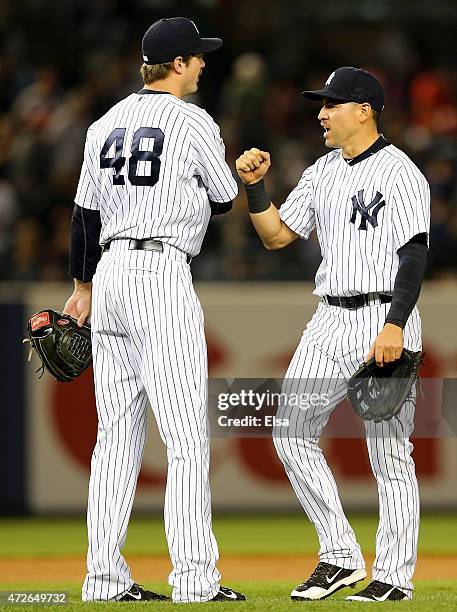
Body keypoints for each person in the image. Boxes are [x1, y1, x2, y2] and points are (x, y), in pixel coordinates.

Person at [63, 17, 245, 603]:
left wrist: (82, 288)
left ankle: (103, 579)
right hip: (159, 272)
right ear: (177, 63)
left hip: (109, 275)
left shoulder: (104, 123)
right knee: (187, 437)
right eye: (197, 58)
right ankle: (195, 580)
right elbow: (222, 198)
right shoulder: (193, 121)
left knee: (115, 438)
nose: (203, 65)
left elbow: (83, 217)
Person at [236, 67, 430, 602]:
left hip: (383, 317)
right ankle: (340, 556)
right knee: (289, 432)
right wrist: (255, 189)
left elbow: (414, 253)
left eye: (333, 103)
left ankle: (394, 575)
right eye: (321, 104)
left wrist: (394, 324)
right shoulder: (322, 171)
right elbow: (277, 235)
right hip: (328, 318)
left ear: (364, 109)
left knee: (389, 452)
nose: (321, 112)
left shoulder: (401, 173)